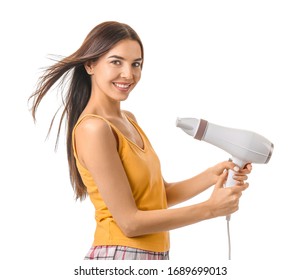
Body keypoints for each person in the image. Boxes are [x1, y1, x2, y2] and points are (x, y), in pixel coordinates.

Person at [29, 21, 252, 260]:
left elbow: (160, 195)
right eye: (116, 62)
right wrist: (209, 209)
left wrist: (213, 175)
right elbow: (129, 223)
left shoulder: (128, 119)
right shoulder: (94, 129)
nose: (129, 74)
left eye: (136, 64)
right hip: (120, 256)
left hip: (151, 257)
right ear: (90, 65)